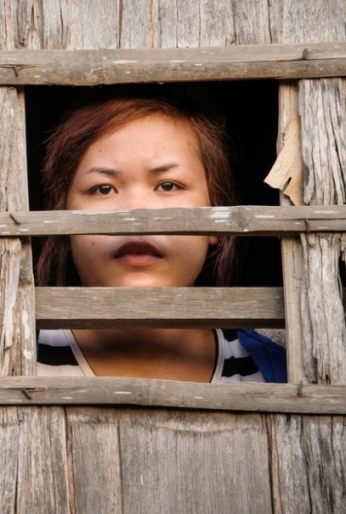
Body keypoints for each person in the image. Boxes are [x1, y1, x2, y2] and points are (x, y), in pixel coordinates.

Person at [36, 87, 286, 383]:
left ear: (217, 216)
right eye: (103, 188)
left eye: (168, 185)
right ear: (62, 223)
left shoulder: (276, 376)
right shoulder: (13, 362)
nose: (137, 214)